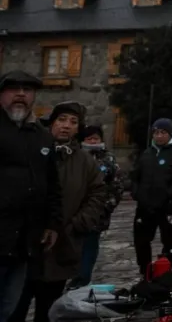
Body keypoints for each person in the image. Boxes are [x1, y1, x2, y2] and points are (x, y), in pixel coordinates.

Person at [11, 102, 107, 322]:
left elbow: (98, 193)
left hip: (62, 245)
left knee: (49, 309)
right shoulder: (32, 150)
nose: (66, 126)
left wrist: (78, 224)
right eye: (62, 120)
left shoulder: (84, 161)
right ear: (52, 123)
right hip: (25, 244)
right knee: (14, 306)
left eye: (73, 122)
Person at [0, 71, 61, 322]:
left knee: (9, 307)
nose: (21, 94)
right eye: (14, 89)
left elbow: (52, 184)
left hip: (26, 240)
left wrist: (53, 223)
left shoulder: (42, 136)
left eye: (28, 90)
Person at [130, 118, 172, 277]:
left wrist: (169, 193)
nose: (159, 136)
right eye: (156, 132)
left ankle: (165, 272)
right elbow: (135, 176)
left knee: (169, 241)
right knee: (141, 240)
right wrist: (136, 193)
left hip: (167, 206)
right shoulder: (147, 153)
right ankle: (145, 271)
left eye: (163, 132)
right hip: (145, 206)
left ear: (170, 134)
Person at [71, 126, 125, 288]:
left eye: (96, 138)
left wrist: (105, 207)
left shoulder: (108, 159)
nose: (93, 141)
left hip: (97, 214)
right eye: (89, 138)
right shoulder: (74, 157)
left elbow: (117, 186)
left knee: (89, 248)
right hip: (73, 213)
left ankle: (82, 279)